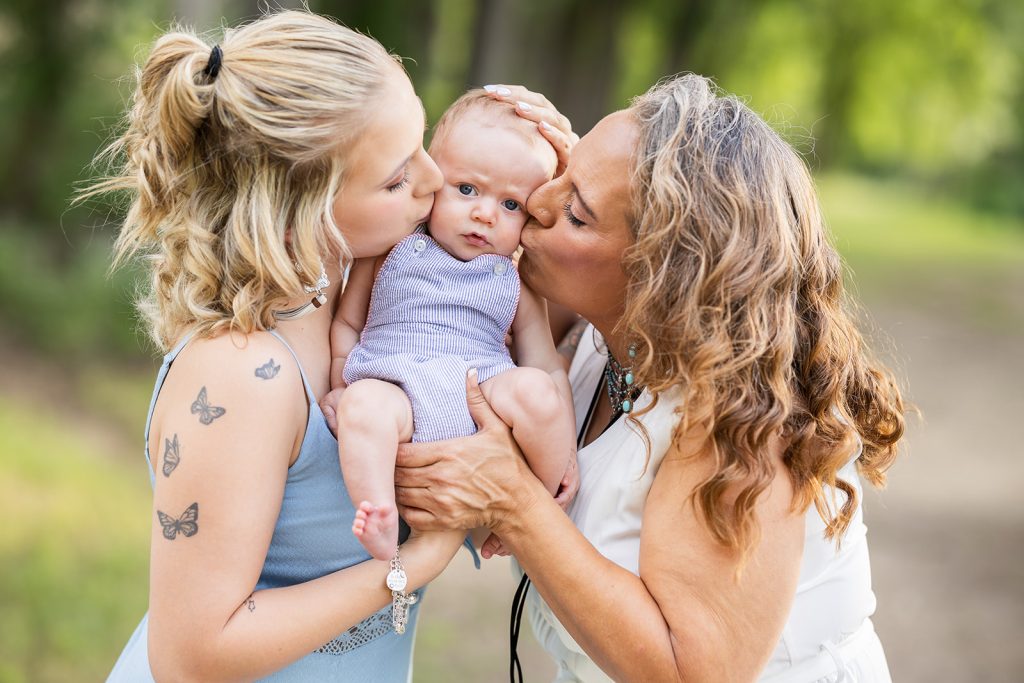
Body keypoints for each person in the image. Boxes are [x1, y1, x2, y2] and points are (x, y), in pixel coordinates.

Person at [78, 11, 574, 681]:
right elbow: (191, 653)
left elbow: (540, 340)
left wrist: (559, 179)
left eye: (423, 145)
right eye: (398, 178)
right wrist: (412, 565)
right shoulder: (242, 373)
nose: (434, 181)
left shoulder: (373, 297)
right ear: (304, 212)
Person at [394, 74, 907, 682]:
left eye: (575, 213)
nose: (536, 201)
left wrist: (515, 503)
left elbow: (690, 674)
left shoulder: (748, 418)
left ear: (660, 280)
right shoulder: (601, 331)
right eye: (557, 174)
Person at [322, 89, 576, 562]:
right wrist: (341, 378)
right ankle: (377, 512)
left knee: (540, 394)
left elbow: (544, 361)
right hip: (397, 388)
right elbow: (348, 322)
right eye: (467, 190)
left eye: (511, 205)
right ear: (432, 180)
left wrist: (565, 448)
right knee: (362, 407)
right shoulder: (392, 246)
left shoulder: (514, 277)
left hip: (482, 396)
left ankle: (530, 506)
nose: (485, 213)